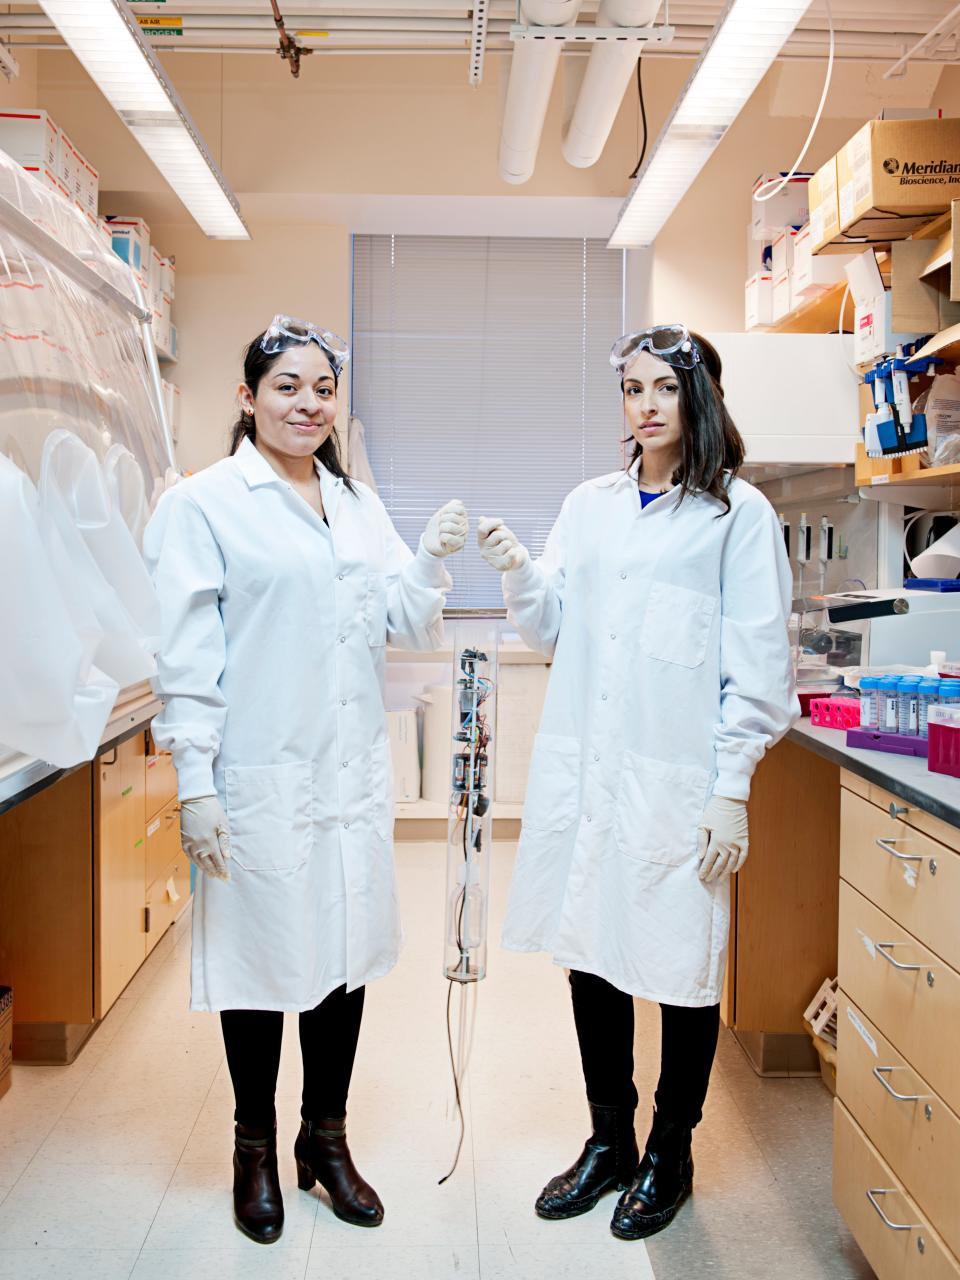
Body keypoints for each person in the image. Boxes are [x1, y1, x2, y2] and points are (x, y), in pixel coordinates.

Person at [143, 315, 468, 1245]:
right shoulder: (205, 503)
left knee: (342, 958)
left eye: (322, 387)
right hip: (255, 775)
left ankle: (324, 1142)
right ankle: (252, 1147)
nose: (308, 403)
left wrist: (432, 557)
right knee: (258, 966)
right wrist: (196, 782)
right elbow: (187, 656)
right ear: (248, 399)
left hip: (346, 780)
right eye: (287, 386)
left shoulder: (358, 504)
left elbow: (402, 623)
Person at [477, 324, 798, 1241]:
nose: (646, 405)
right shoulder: (591, 505)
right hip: (592, 771)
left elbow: (759, 665)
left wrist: (730, 782)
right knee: (592, 950)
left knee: (682, 968)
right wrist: (519, 574)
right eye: (630, 390)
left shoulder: (738, 515)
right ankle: (608, 1140)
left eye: (662, 387)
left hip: (679, 778)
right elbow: (556, 630)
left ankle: (672, 1152)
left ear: (700, 396)